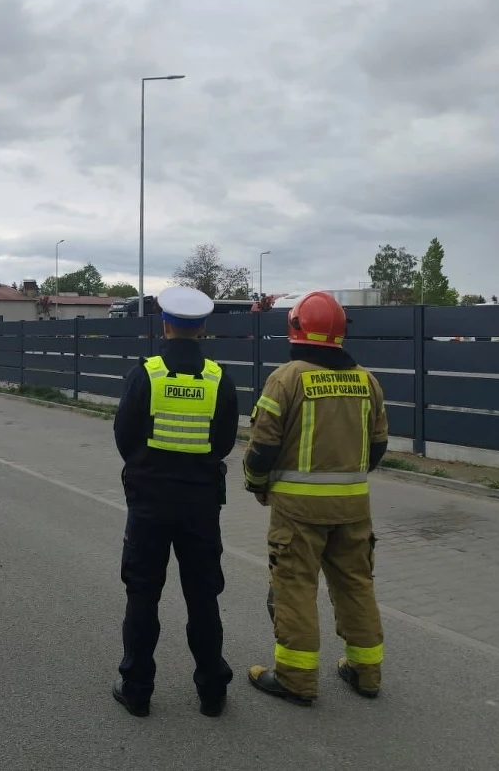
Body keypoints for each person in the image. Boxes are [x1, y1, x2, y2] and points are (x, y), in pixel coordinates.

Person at [242, 290, 389, 705]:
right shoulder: (367, 380)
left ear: (295, 328)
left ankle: (296, 680)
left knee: (294, 589)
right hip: (354, 507)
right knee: (356, 585)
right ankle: (366, 672)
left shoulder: (286, 379)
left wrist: (257, 483)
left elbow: (262, 449)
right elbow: (378, 445)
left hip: (298, 513)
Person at [111, 285, 240, 718]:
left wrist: (148, 466)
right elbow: (224, 442)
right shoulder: (219, 379)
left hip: (149, 501)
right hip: (200, 504)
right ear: (201, 328)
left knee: (142, 595)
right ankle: (212, 692)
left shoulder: (145, 375)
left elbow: (124, 436)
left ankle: (137, 690)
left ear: (165, 325)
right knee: (202, 597)